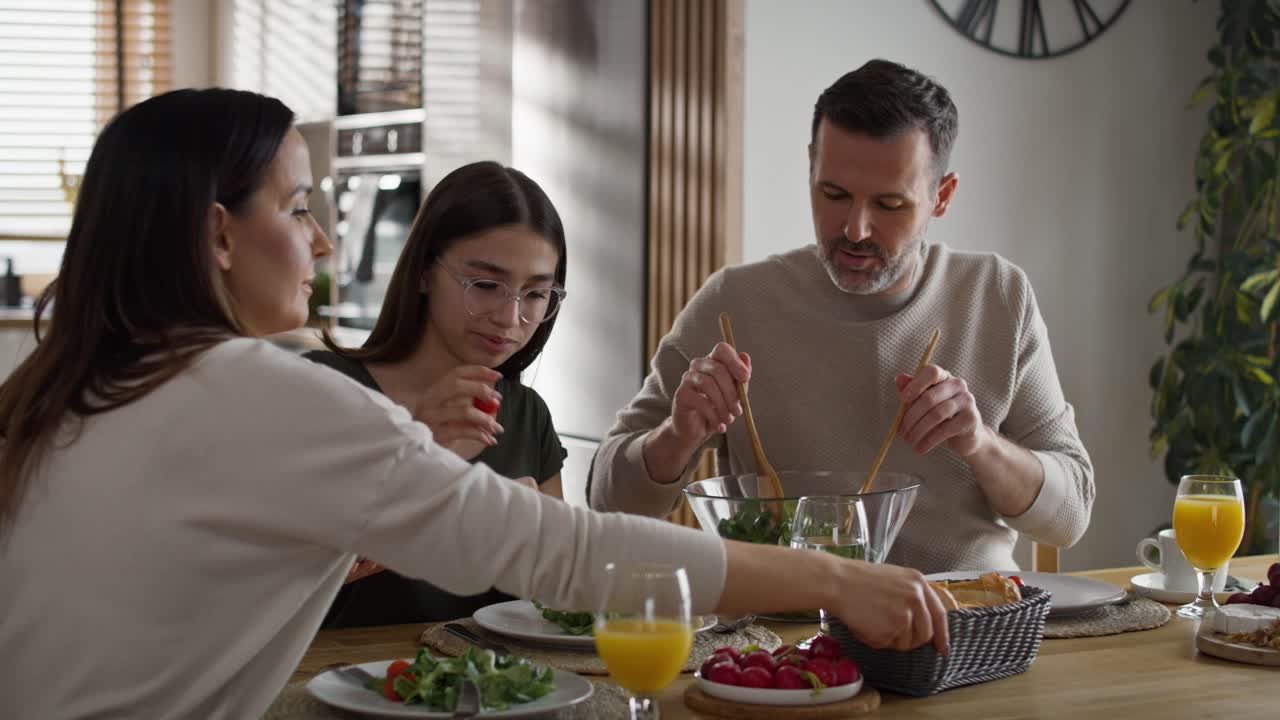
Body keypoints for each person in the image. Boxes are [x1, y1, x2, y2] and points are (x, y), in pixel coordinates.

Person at [0, 88, 949, 719]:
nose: (324, 241)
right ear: (217, 235)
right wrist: (836, 581)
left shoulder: (74, 385)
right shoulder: (257, 392)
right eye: (297, 209)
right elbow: (566, 551)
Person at [588, 59, 1094, 572]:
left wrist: (979, 442)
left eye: (890, 204)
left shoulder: (996, 295)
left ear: (941, 196)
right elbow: (606, 499)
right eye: (834, 194)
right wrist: (677, 437)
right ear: (811, 166)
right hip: (783, 635)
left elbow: (1070, 515)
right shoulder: (735, 304)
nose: (854, 229)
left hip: (966, 623)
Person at [305, 161, 571, 626]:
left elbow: (550, 600)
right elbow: (269, 577)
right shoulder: (324, 389)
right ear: (425, 271)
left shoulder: (527, 414)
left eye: (534, 294)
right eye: (486, 285)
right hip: (324, 684)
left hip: (481, 693)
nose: (510, 319)